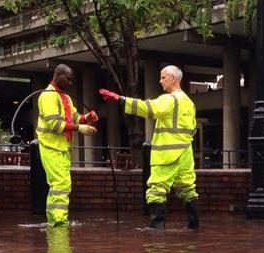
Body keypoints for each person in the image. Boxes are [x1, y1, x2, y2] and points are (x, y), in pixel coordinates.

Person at [99, 65, 199, 229]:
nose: (160, 81)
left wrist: (120, 99)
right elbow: (192, 128)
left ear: (173, 78)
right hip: (185, 153)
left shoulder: (169, 99)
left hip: (167, 153)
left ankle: (155, 229)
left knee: (156, 190)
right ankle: (194, 226)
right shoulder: (189, 102)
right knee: (188, 189)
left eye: (163, 77)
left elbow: (148, 108)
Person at [37, 64, 98, 226]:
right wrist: (81, 128)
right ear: (57, 75)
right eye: (68, 79)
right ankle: (59, 222)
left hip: (60, 148)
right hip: (51, 147)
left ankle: (54, 220)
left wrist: (87, 117)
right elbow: (54, 124)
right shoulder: (49, 96)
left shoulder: (65, 97)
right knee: (60, 185)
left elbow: (74, 116)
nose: (70, 83)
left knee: (58, 186)